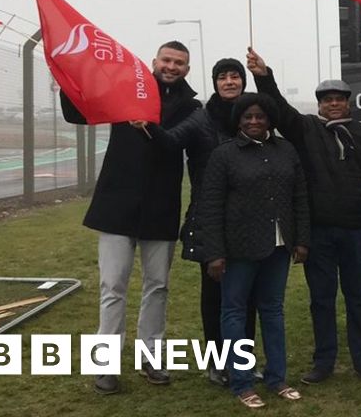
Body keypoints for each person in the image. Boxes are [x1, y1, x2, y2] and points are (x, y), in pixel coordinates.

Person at [60, 41, 201, 395]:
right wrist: (66, 79)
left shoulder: (192, 107)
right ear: (155, 61)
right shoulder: (125, 90)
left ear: (187, 69)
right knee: (112, 287)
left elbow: (174, 143)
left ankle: (150, 358)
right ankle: (104, 365)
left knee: (158, 286)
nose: (171, 66)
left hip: (161, 208)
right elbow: (79, 113)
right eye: (167, 60)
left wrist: (148, 127)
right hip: (117, 206)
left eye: (179, 63)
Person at [247, 48, 361, 384]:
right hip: (318, 232)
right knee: (322, 300)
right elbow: (279, 110)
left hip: (358, 232)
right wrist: (264, 77)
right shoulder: (306, 129)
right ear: (319, 104)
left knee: (358, 298)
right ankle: (324, 361)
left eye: (339, 99)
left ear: (348, 103)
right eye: (327, 100)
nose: (333, 104)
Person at [146, 58, 257, 386]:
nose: (229, 82)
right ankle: (217, 362)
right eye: (223, 77)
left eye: (235, 76)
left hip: (248, 219)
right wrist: (148, 125)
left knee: (247, 296)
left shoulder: (253, 117)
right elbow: (170, 141)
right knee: (215, 295)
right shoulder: (202, 118)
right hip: (210, 218)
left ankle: (243, 360)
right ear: (215, 82)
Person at [198, 93, 310, 409]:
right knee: (233, 313)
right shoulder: (224, 155)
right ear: (238, 121)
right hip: (238, 249)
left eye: (260, 116)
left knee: (273, 311)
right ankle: (242, 382)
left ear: (269, 119)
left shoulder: (286, 150)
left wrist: (302, 240)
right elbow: (210, 206)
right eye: (247, 116)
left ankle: (277, 378)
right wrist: (214, 253)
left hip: (279, 246)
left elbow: (300, 197)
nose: (254, 121)